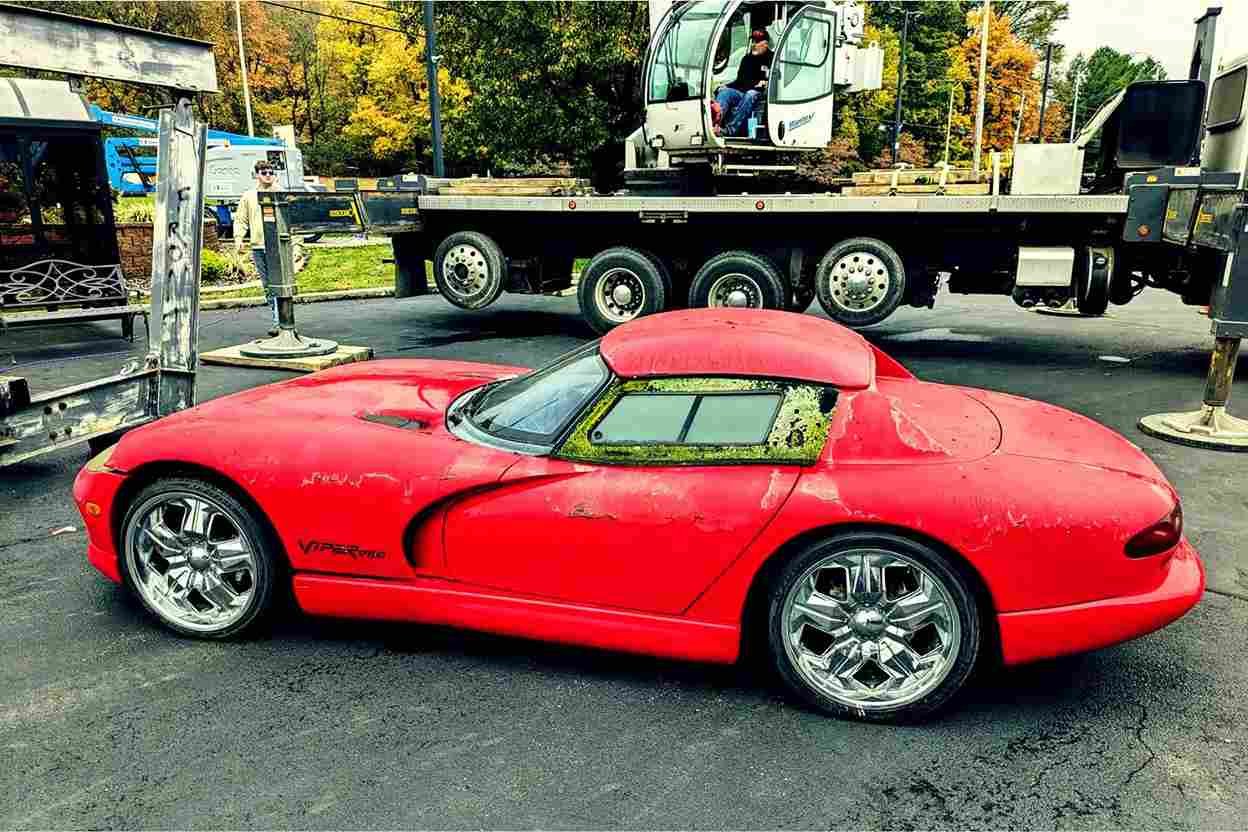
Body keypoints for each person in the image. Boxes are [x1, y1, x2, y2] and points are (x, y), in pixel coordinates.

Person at [234, 160, 280, 335]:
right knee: (268, 285)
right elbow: (241, 219)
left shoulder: (281, 193)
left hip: (277, 246)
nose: (268, 175)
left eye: (271, 172)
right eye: (264, 172)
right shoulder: (249, 196)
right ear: (257, 175)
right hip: (258, 246)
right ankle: (276, 318)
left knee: (280, 283)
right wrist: (239, 238)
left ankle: (281, 320)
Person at [714, 29, 772, 138]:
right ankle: (715, 125)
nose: (754, 45)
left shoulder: (772, 59)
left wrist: (767, 83)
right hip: (743, 91)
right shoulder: (747, 59)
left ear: (765, 44)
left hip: (760, 94)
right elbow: (740, 81)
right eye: (753, 41)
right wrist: (726, 86)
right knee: (725, 92)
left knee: (751, 94)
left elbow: (778, 79)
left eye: (757, 42)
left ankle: (730, 130)